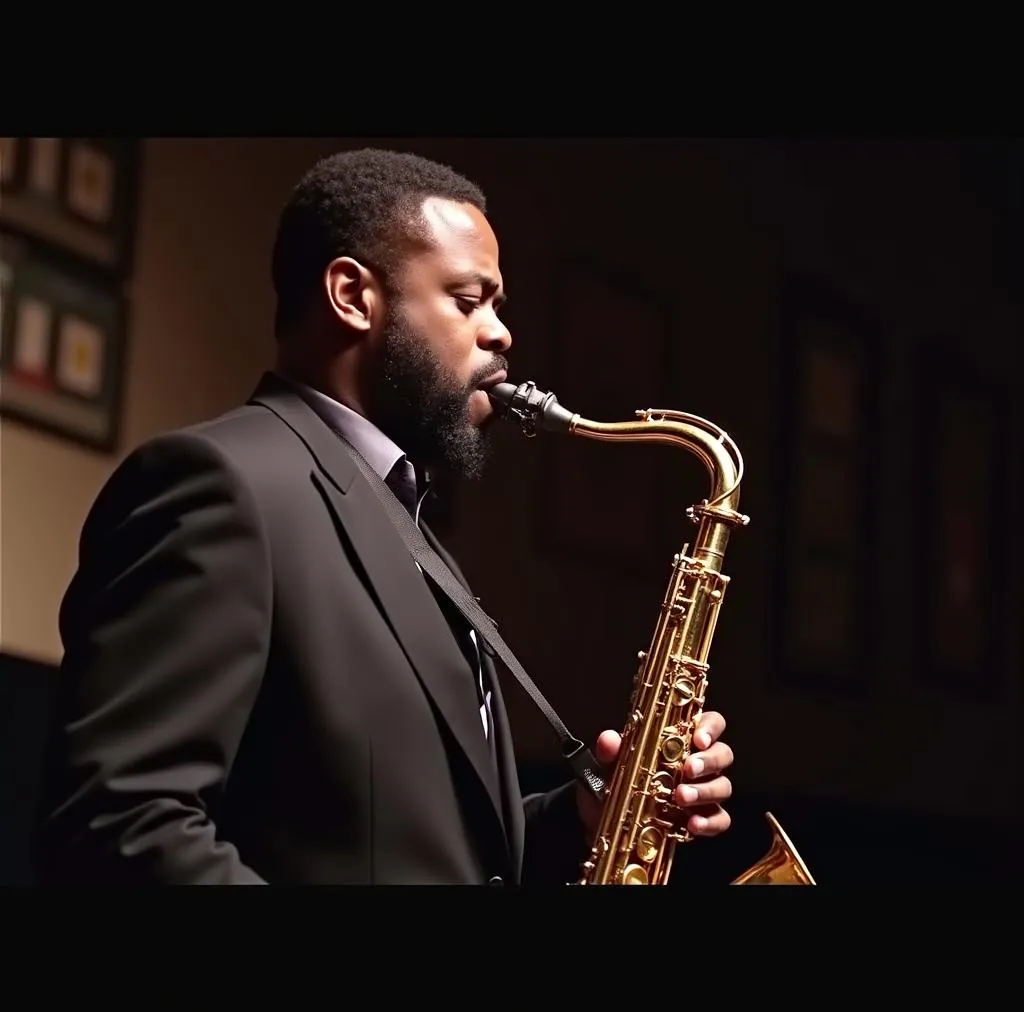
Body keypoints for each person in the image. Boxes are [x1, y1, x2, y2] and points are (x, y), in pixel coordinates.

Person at [32, 147, 735, 885]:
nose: (501, 334)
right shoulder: (218, 486)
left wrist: (588, 815)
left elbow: (410, 848)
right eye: (469, 301)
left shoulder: (407, 522)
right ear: (352, 295)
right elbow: (117, 827)